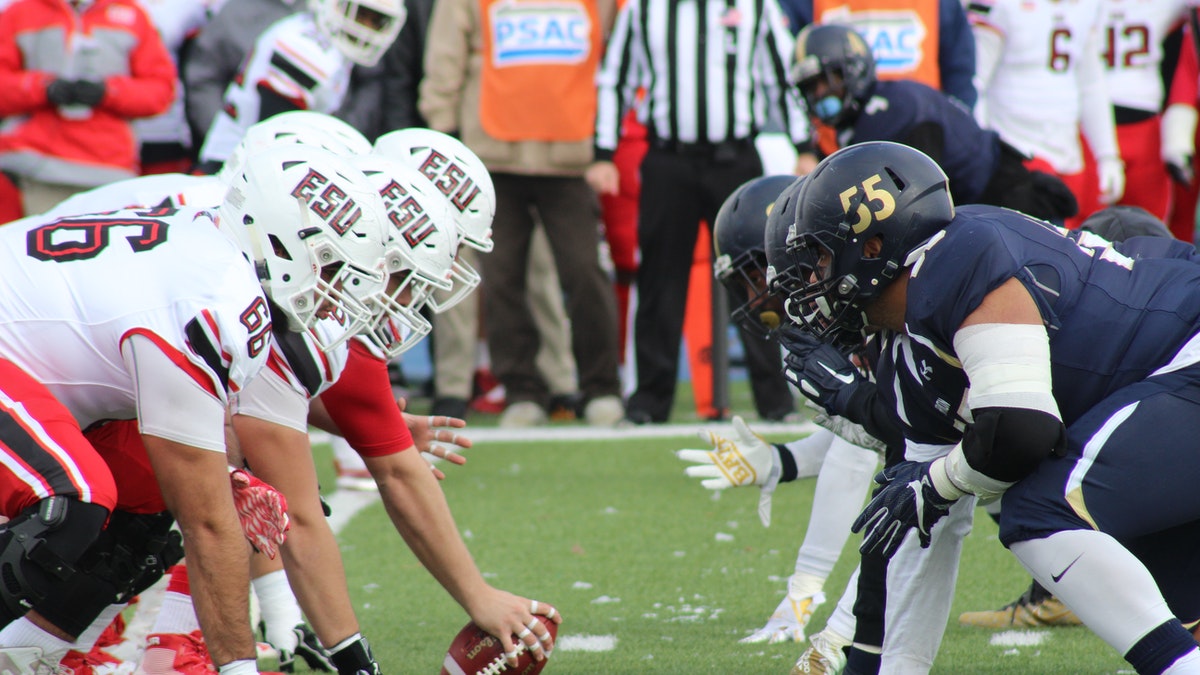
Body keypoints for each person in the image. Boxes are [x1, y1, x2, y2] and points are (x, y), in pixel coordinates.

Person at [783, 140, 1200, 673]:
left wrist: (937, 481)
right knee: (1178, 606)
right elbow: (920, 532)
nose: (813, 284)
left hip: (1185, 358)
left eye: (818, 258)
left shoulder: (957, 256)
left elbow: (1022, 432)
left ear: (872, 246)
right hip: (1171, 386)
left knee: (1040, 510)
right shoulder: (908, 349)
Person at [0, 144, 391, 675]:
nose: (335, 293)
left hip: (31, 366)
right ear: (283, 243)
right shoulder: (214, 299)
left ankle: (25, 649)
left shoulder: (220, 260)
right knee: (76, 496)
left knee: (157, 487)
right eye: (331, 266)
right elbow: (209, 523)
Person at [677, 174, 883, 647]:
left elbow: (862, 448)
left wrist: (803, 590)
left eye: (754, 276)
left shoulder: (868, 304)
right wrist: (780, 462)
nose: (753, 297)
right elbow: (873, 430)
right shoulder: (838, 309)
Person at [590, 0, 806, 425]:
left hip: (736, 160)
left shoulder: (754, 7)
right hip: (669, 159)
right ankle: (649, 402)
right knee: (659, 279)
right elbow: (614, 77)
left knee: (759, 279)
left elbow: (783, 77)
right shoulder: (643, 9)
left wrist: (805, 145)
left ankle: (776, 401)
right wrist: (602, 151)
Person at [420, 0, 626, 428]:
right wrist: (446, 141)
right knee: (502, 280)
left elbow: (620, 51)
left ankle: (602, 387)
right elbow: (445, 59)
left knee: (585, 273)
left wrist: (605, 145)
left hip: (571, 155)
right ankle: (522, 390)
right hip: (492, 157)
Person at [791, 22, 1078, 223]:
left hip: (1010, 202)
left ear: (853, 68)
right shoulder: (873, 110)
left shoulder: (894, 112)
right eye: (811, 87)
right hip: (984, 205)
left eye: (829, 80)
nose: (820, 93)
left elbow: (918, 207)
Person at [0, 0, 176, 216]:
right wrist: (42, 88)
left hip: (108, 171)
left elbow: (161, 91)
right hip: (30, 169)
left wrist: (108, 92)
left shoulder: (132, 16)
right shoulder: (20, 13)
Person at [195, 0, 405, 171]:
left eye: (377, 21)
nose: (366, 28)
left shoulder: (326, 43)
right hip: (232, 167)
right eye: (360, 14)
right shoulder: (305, 48)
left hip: (248, 163)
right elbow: (275, 140)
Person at [969, 0, 1123, 227]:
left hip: (1067, 150)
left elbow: (1091, 84)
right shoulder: (1001, 5)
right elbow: (976, 81)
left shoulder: (1088, 6)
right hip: (1017, 147)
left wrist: (1107, 154)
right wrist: (988, 150)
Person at [777, 0, 976, 111]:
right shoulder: (800, 4)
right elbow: (790, 71)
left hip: (922, 139)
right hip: (838, 149)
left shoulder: (942, 4)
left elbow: (959, 73)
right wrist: (806, 150)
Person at [181, 0, 302, 142]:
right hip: (239, 139)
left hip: (308, 144)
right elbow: (204, 79)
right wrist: (221, 136)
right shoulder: (237, 11)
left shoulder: (322, 13)